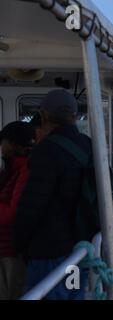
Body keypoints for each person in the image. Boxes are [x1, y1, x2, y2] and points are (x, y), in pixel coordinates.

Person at [13, 90, 91, 300]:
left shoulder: (46, 151)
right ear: (74, 116)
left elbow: (32, 205)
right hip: (79, 251)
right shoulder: (88, 145)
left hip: (49, 252)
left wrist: (17, 244)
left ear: (44, 115)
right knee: (73, 293)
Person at [0, 122, 35, 300]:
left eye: (3, 141)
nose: (1, 147)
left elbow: (14, 213)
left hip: (12, 254)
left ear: (14, 144)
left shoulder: (24, 170)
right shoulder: (11, 170)